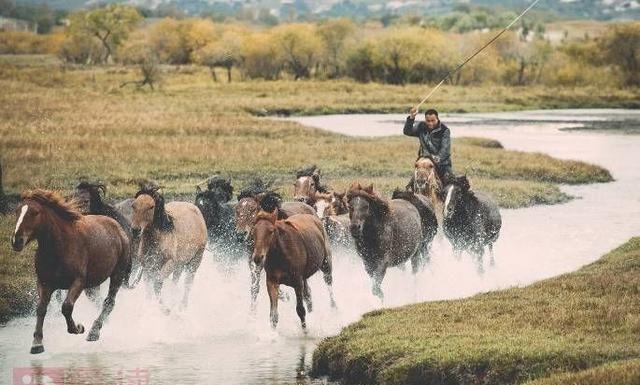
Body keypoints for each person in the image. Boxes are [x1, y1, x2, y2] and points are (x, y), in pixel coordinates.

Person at [403, 107, 453, 184]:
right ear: (425, 119)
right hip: (424, 163)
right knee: (412, 185)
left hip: (442, 164)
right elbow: (407, 132)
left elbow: (445, 150)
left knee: (450, 184)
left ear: (437, 119)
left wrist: (434, 160)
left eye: (433, 121)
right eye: (428, 121)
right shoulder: (421, 126)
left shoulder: (444, 130)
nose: (430, 123)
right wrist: (411, 118)